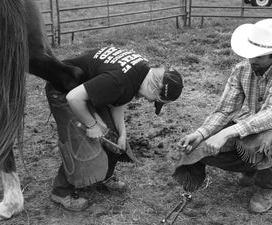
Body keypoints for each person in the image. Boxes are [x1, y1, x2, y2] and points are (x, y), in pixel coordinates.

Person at [46, 46, 183, 211]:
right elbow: (74, 98)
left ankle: (105, 176)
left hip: (85, 87)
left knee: (113, 133)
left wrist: (122, 134)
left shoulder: (140, 72)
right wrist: (92, 124)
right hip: (63, 88)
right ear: (155, 88)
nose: (149, 101)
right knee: (79, 140)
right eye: (154, 99)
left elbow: (118, 100)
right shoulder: (120, 80)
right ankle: (61, 192)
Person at [176, 19, 272, 213]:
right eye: (250, 55)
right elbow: (225, 109)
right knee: (201, 144)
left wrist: (226, 134)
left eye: (258, 57)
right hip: (250, 120)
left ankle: (266, 188)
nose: (251, 61)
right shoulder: (242, 70)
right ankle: (251, 166)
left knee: (269, 136)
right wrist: (201, 133)